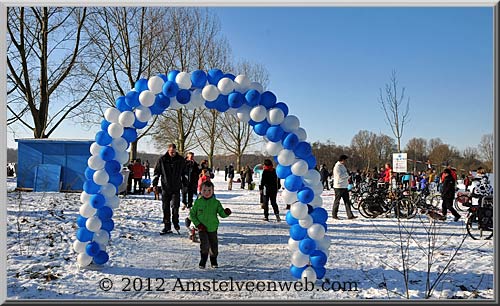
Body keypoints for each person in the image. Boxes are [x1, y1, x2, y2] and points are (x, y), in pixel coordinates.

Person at [189, 181, 232, 269]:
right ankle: (203, 259)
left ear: (213, 191)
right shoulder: (198, 203)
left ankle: (213, 259)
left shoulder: (216, 203)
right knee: (204, 245)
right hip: (202, 228)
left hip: (212, 228)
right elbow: (192, 215)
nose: (207, 192)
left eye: (209, 190)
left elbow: (221, 214)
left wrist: (226, 213)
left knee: (213, 245)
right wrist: (198, 224)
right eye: (204, 190)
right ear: (200, 191)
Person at [152, 143, 187, 235]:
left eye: (174, 152)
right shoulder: (162, 160)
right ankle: (167, 225)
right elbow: (156, 172)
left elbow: (185, 173)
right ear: (168, 150)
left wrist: (185, 183)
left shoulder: (180, 160)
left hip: (176, 187)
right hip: (165, 187)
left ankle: (176, 222)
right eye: (171, 152)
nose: (173, 153)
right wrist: (154, 184)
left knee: (175, 206)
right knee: (165, 207)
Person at [332, 154, 357, 220]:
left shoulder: (342, 166)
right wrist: (347, 175)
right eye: (345, 160)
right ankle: (334, 214)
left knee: (347, 201)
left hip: (344, 186)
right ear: (342, 160)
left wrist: (348, 175)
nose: (346, 161)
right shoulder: (337, 167)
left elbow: (345, 174)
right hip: (339, 186)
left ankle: (350, 215)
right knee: (337, 201)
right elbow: (339, 176)